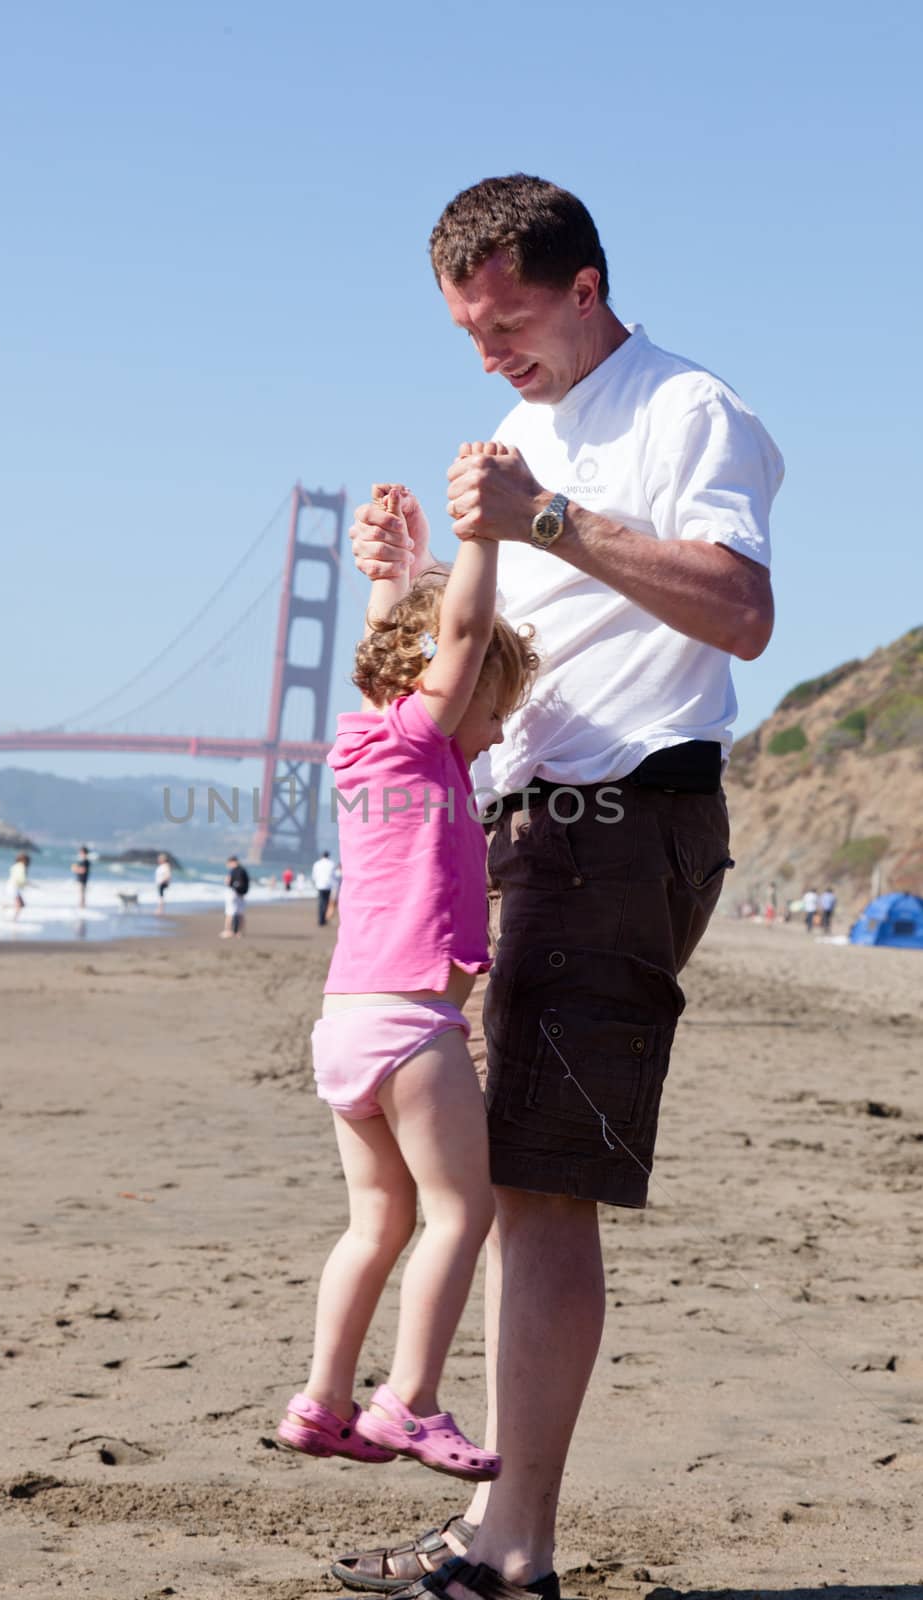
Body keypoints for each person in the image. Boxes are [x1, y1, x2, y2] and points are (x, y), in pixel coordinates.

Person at [330, 175, 782, 1600]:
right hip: (516, 830)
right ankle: (494, 1529)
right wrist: (410, 581)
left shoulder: (683, 411)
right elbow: (485, 662)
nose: (487, 355)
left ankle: (510, 1546)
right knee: (498, 1177)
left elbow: (741, 610)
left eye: (506, 319)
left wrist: (548, 522)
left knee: (534, 1189)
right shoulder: (525, 431)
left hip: (618, 823)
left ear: (582, 285)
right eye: (464, 331)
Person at [277, 486, 538, 1492]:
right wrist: (478, 538)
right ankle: (408, 1400)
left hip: (343, 1028)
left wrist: (389, 578)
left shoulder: (360, 748)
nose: (493, 733)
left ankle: (320, 1399)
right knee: (457, 1213)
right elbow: (461, 629)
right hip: (411, 1025)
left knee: (374, 1221)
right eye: (493, 712)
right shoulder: (428, 740)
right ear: (447, 686)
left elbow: (415, 647)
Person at [221, 854, 249, 938]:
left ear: (232, 862)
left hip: (233, 893)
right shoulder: (243, 870)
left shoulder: (233, 870)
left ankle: (228, 931)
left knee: (229, 912)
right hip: (241, 894)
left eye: (228, 863)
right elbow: (246, 883)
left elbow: (228, 881)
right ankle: (240, 932)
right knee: (240, 913)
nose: (228, 865)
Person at [7, 852, 33, 922]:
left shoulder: (15, 866)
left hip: (11, 886)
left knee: (21, 904)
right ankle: (13, 920)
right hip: (14, 887)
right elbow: (22, 879)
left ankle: (6, 907)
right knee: (19, 905)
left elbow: (16, 877)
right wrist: (28, 883)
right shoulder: (22, 867)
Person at [311, 850, 335, 925]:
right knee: (326, 902)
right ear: (328, 856)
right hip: (328, 885)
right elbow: (333, 876)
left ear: (322, 856)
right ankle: (323, 919)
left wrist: (314, 883)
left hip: (320, 885)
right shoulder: (332, 864)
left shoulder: (317, 864)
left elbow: (314, 875)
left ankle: (321, 919)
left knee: (321, 903)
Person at [71, 844, 91, 909]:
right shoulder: (83, 861)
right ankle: (82, 907)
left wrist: (75, 869)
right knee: (81, 894)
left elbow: (83, 870)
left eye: (81, 852)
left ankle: (82, 907)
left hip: (83, 880)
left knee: (82, 894)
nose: (80, 853)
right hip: (81, 879)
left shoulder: (86, 861)